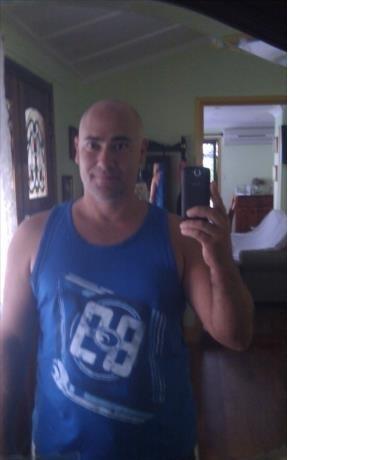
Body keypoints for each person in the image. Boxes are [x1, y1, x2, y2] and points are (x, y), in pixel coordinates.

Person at [0, 100, 254, 460]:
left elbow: (236, 336)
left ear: (142, 152)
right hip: (59, 448)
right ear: (76, 149)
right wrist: (7, 438)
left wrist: (222, 260)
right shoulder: (32, 236)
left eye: (120, 145)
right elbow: (10, 341)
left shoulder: (179, 236)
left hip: (163, 449)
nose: (105, 160)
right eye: (94, 144)